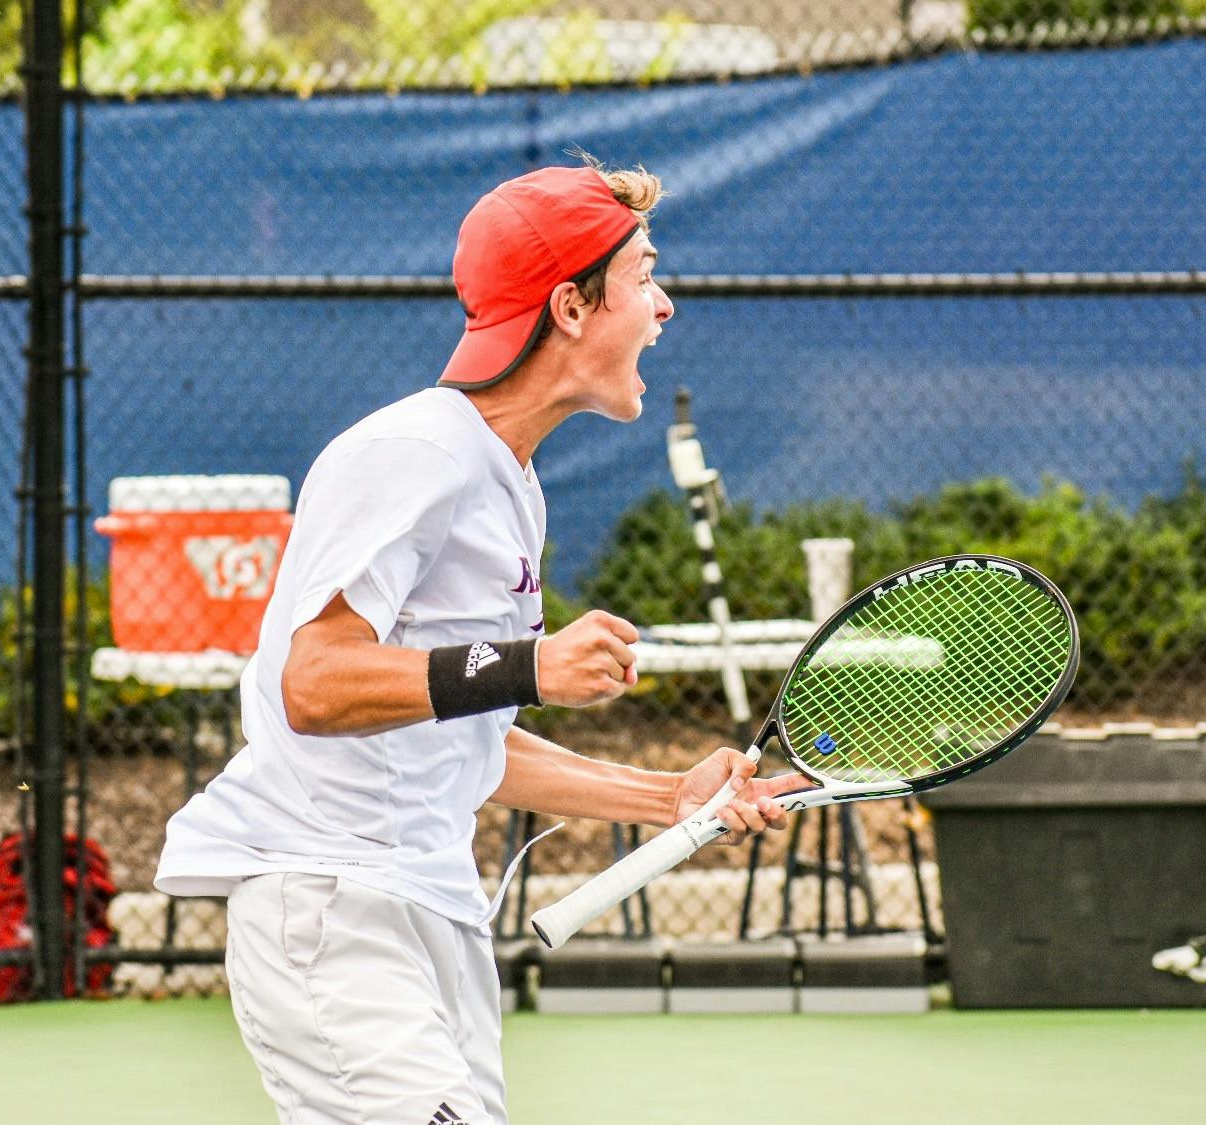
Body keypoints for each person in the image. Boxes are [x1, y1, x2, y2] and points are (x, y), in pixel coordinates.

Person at [154, 156, 803, 1124]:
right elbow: (314, 683)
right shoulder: (414, 452)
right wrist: (532, 665)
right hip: (334, 905)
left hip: (430, 909)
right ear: (572, 308)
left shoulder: (505, 479)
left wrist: (668, 796)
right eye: (642, 276)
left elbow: (469, 742)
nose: (662, 306)